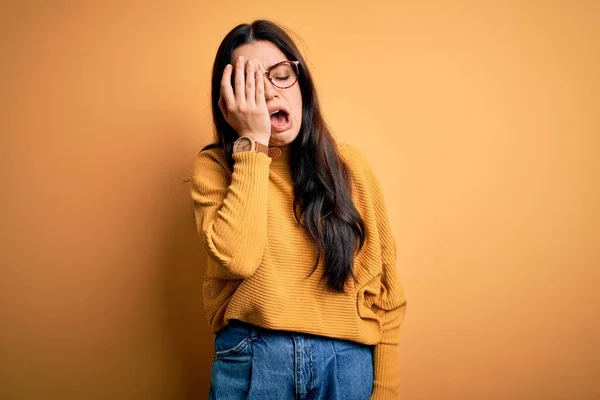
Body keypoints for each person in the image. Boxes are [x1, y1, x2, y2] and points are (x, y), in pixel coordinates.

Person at [189, 19, 407, 400]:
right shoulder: (216, 168)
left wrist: (384, 392)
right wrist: (253, 144)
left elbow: (387, 296)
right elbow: (237, 259)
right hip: (255, 357)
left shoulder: (351, 167)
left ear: (301, 82)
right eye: (250, 83)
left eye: (280, 75)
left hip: (346, 364)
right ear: (228, 101)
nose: (270, 92)